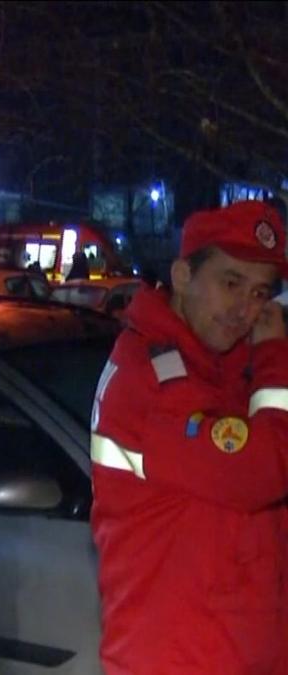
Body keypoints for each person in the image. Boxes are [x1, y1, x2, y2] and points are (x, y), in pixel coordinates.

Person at [90, 199, 288, 674]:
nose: (247, 309)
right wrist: (275, 358)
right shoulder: (158, 381)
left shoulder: (212, 365)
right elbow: (262, 471)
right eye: (231, 283)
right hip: (183, 659)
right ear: (182, 276)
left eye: (261, 293)